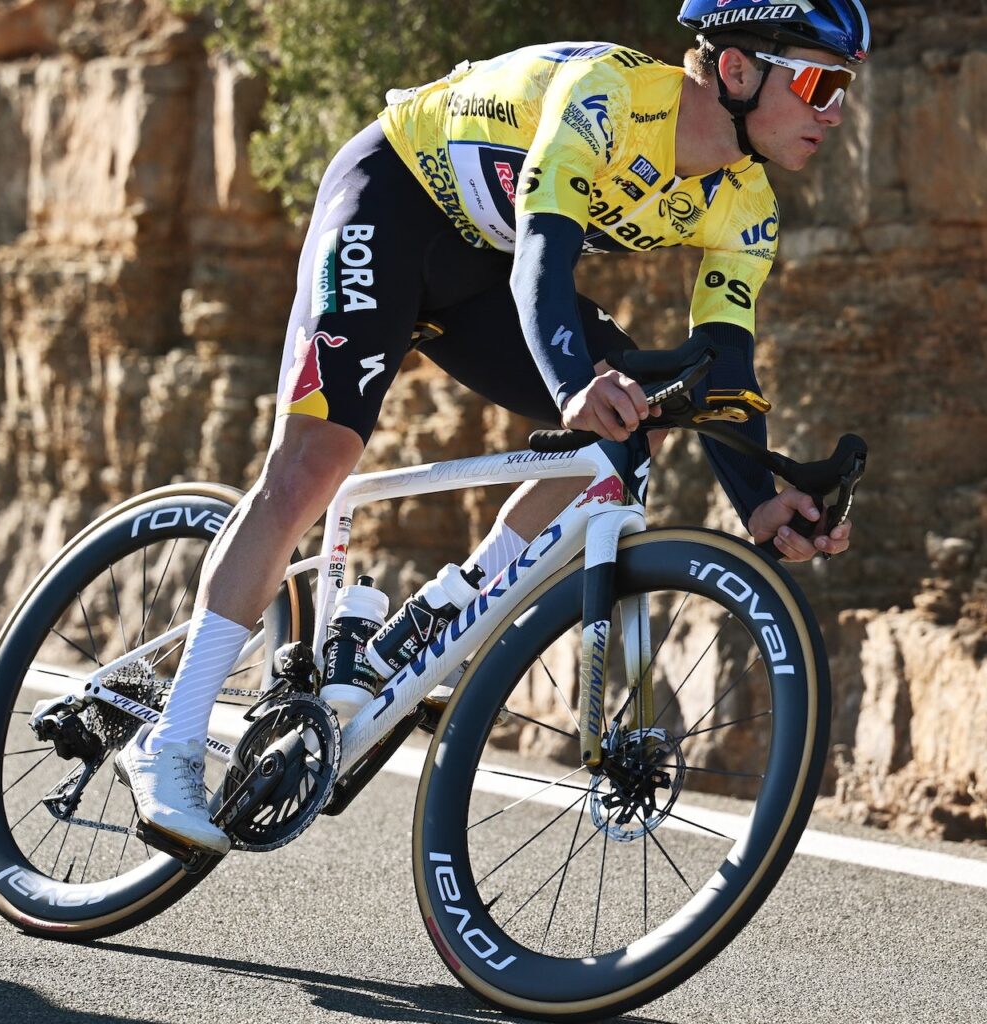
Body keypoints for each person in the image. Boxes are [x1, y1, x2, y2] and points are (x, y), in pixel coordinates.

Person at [116, 0, 869, 855]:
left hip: (480, 264)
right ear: (737, 70)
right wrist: (570, 386)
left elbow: (725, 372)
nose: (834, 109)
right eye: (819, 81)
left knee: (632, 427)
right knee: (315, 463)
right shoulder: (609, 98)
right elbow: (544, 262)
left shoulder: (747, 204)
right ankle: (169, 742)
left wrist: (760, 503)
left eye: (843, 88)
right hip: (391, 201)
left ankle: (436, 616)